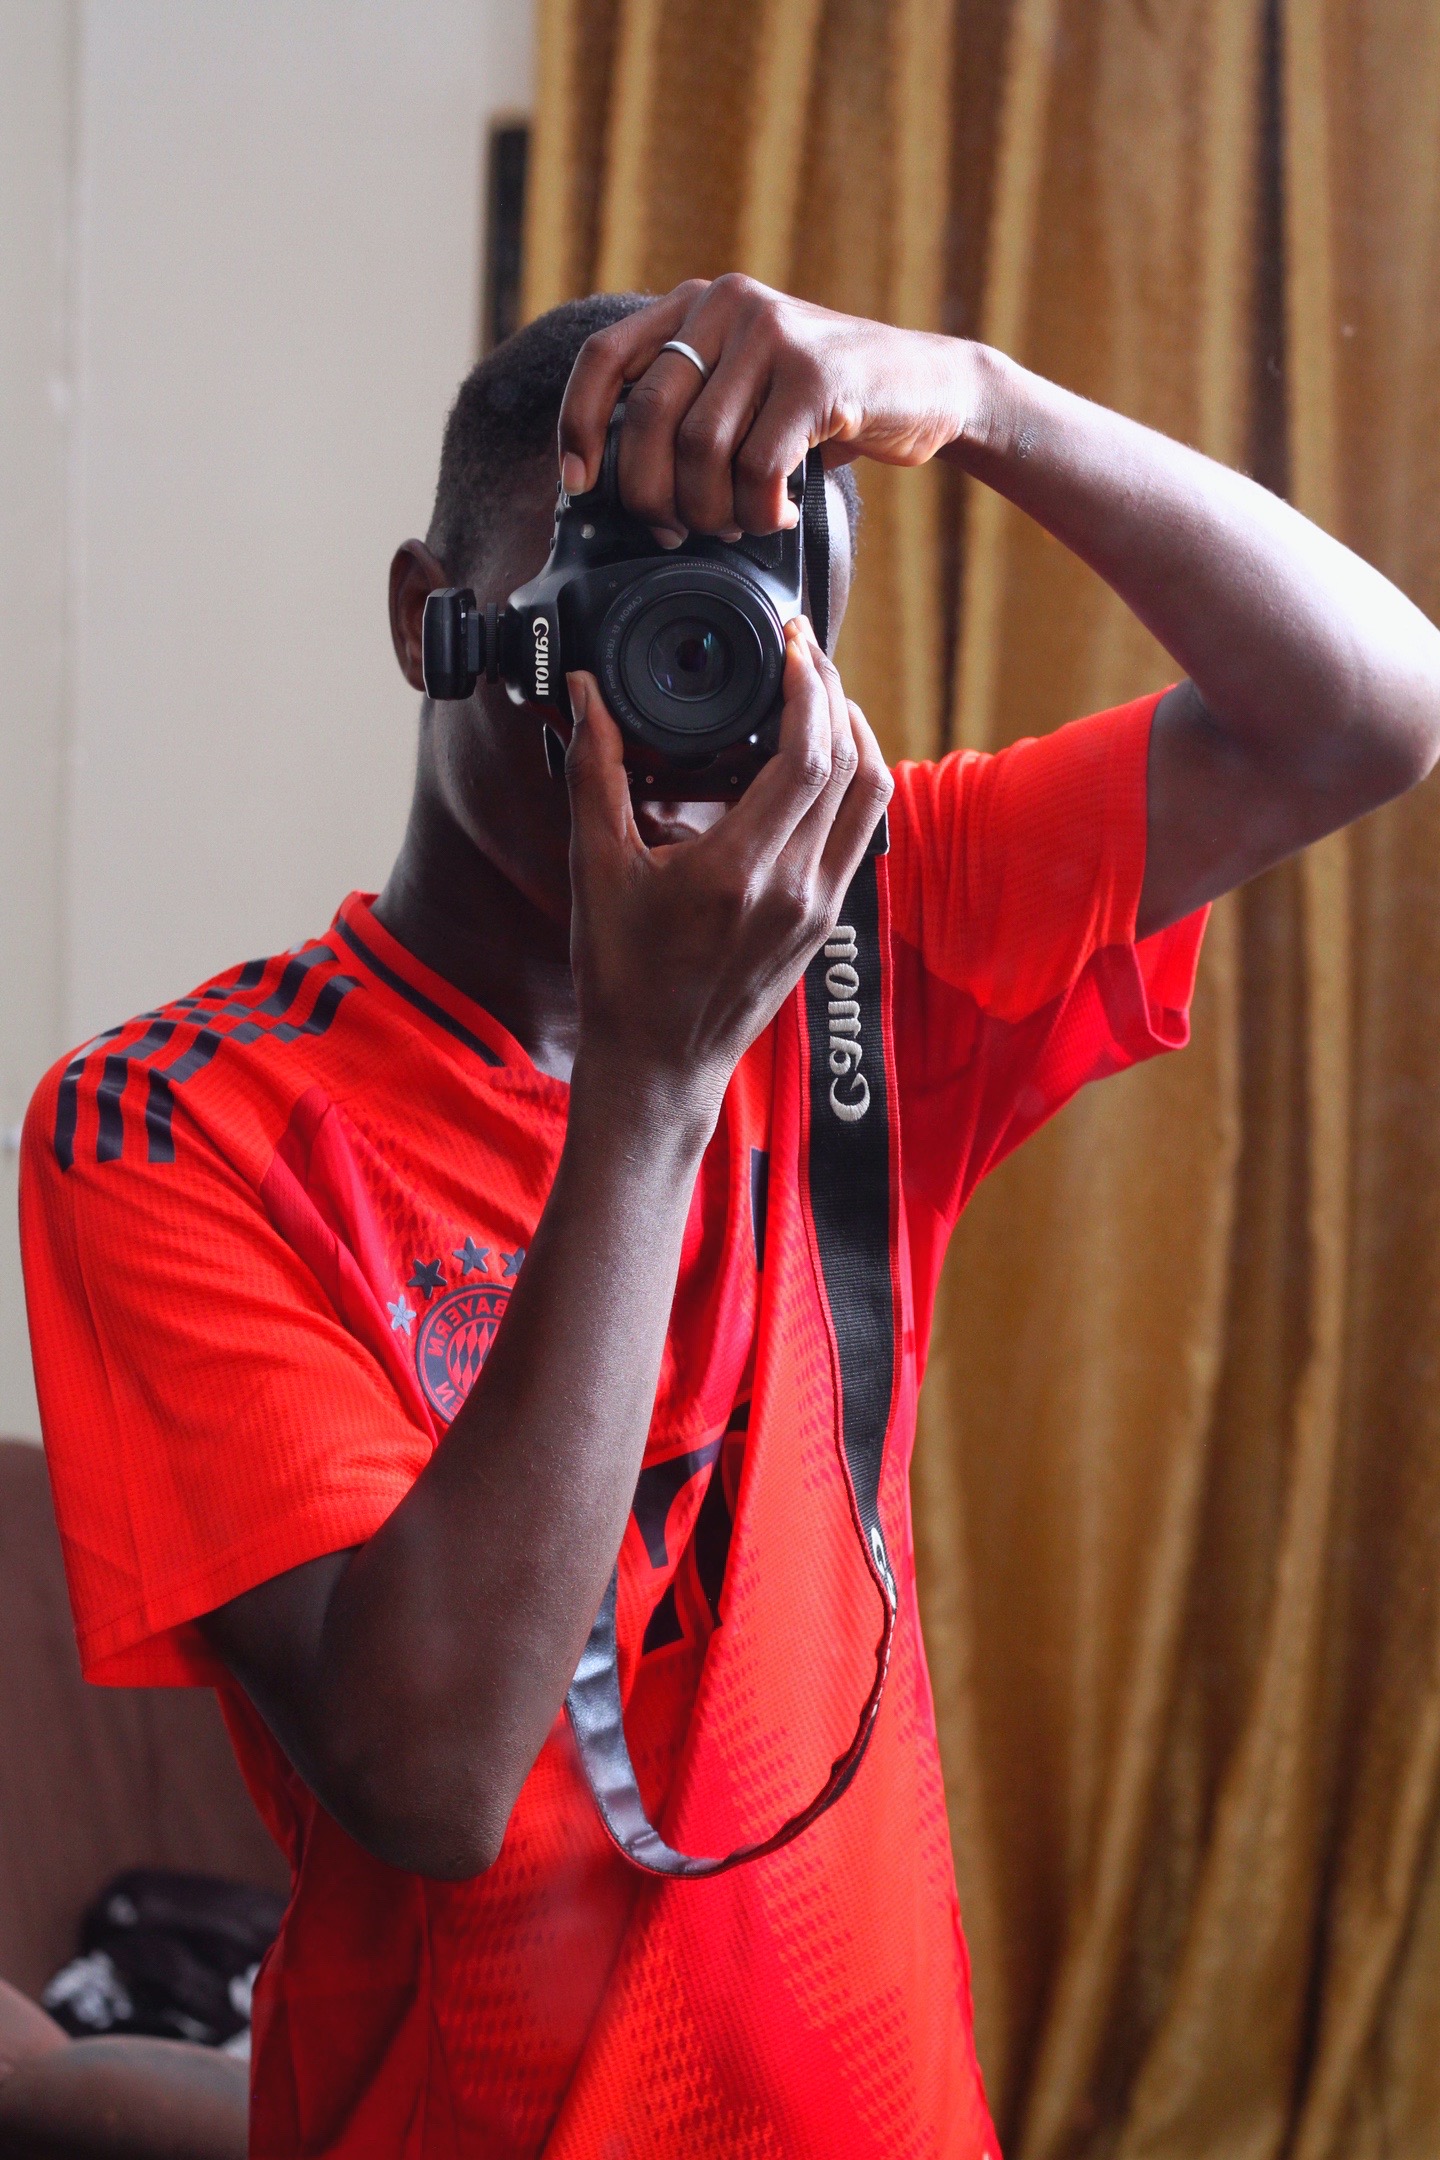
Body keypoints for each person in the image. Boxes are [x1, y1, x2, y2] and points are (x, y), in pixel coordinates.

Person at [21, 276, 1440, 2160]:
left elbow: (1370, 712)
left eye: (735, 623)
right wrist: (658, 1082)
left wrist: (980, 393)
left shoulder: (865, 944)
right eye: (612, 607)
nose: (671, 682)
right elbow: (429, 1775)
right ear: (433, 623)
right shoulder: (175, 1124)